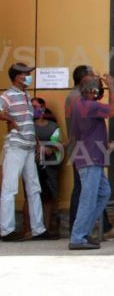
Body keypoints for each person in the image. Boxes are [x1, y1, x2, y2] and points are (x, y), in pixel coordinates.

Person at [0, 62, 58, 241]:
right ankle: (6, 230)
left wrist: (37, 141)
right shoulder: (7, 95)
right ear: (17, 77)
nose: (28, 77)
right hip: (15, 146)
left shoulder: (26, 95)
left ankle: (38, 229)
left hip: (28, 147)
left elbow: (29, 122)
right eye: (26, 74)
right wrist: (11, 119)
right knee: (10, 189)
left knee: (34, 188)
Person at [68, 75, 114, 250]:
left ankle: (84, 232)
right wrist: (112, 86)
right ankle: (77, 237)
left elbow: (79, 133)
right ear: (93, 91)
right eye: (99, 88)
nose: (100, 91)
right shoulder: (90, 106)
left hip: (88, 156)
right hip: (91, 158)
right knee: (88, 198)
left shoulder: (78, 106)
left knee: (103, 192)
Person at [32, 97, 62, 234]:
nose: (33, 109)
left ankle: (47, 228)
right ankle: (29, 229)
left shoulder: (53, 126)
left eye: (35, 106)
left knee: (49, 197)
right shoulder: (29, 126)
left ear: (43, 108)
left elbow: (57, 144)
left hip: (50, 166)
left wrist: (47, 149)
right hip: (32, 165)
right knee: (32, 196)